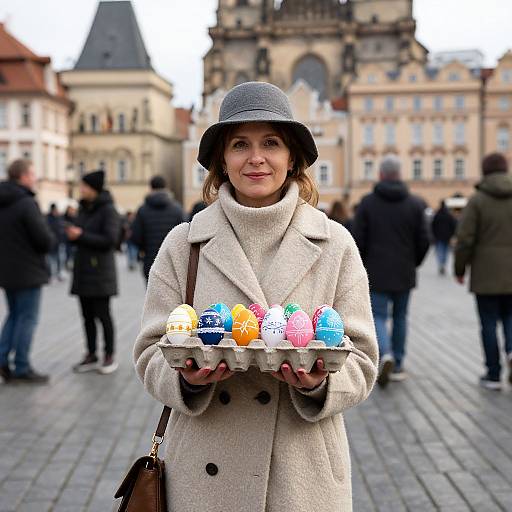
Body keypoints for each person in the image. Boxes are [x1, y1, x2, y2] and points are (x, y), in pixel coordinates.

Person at [133, 82, 378, 512]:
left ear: (292, 157)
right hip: (206, 475)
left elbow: (361, 358)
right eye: (240, 144)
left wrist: (320, 383)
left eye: (271, 142)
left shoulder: (333, 243)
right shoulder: (184, 244)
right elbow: (151, 351)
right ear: (222, 161)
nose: (256, 157)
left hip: (301, 474)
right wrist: (186, 379)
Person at [353, 155, 429, 387]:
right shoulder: (415, 204)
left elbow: (358, 239)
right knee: (400, 317)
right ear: (399, 174)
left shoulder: (367, 203)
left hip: (376, 271)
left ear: (381, 175)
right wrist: (413, 262)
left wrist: (363, 265)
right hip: (404, 272)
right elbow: (425, 240)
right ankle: (398, 362)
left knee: (378, 316)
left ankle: (384, 353)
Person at [454, 153, 512, 390]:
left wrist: (460, 268)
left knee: (488, 323)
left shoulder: (477, 200)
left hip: (486, 274)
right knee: (511, 317)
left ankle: (493, 374)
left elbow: (465, 239)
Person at [0, 159, 55, 383]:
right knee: (27, 319)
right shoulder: (26, 202)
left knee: (13, 315)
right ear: (22, 176)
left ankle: (2, 360)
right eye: (32, 174)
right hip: (28, 271)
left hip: (6, 271)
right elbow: (43, 239)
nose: (35, 178)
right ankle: (22, 366)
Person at [67, 170, 121, 375]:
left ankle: (109, 355)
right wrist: (73, 235)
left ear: (94, 189)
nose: (81, 190)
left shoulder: (108, 210)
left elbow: (110, 239)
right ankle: (91, 354)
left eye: (84, 186)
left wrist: (81, 235)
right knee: (87, 316)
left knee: (103, 316)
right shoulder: (83, 208)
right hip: (82, 271)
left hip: (100, 273)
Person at [130, 175, 184, 281]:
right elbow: (184, 234)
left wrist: (143, 248)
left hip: (150, 259)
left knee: (152, 294)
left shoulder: (142, 210)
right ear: (165, 187)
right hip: (172, 260)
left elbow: (135, 236)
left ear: (151, 188)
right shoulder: (177, 209)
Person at [431, 200, 457, 275]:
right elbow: (453, 225)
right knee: (445, 251)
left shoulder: (437, 215)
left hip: (438, 236)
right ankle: (444, 264)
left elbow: (433, 225)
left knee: (439, 250)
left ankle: (440, 264)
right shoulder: (449, 215)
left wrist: (434, 234)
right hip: (447, 236)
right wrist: (452, 234)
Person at [46, 203, 65, 281]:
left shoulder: (59, 218)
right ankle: (50, 275)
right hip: (51, 243)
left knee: (60, 259)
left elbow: (61, 228)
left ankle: (59, 274)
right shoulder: (47, 218)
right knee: (50, 260)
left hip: (59, 242)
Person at [63, 205, 77, 270]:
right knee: (67, 254)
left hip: (73, 240)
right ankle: (66, 266)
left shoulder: (75, 217)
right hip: (66, 240)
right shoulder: (64, 217)